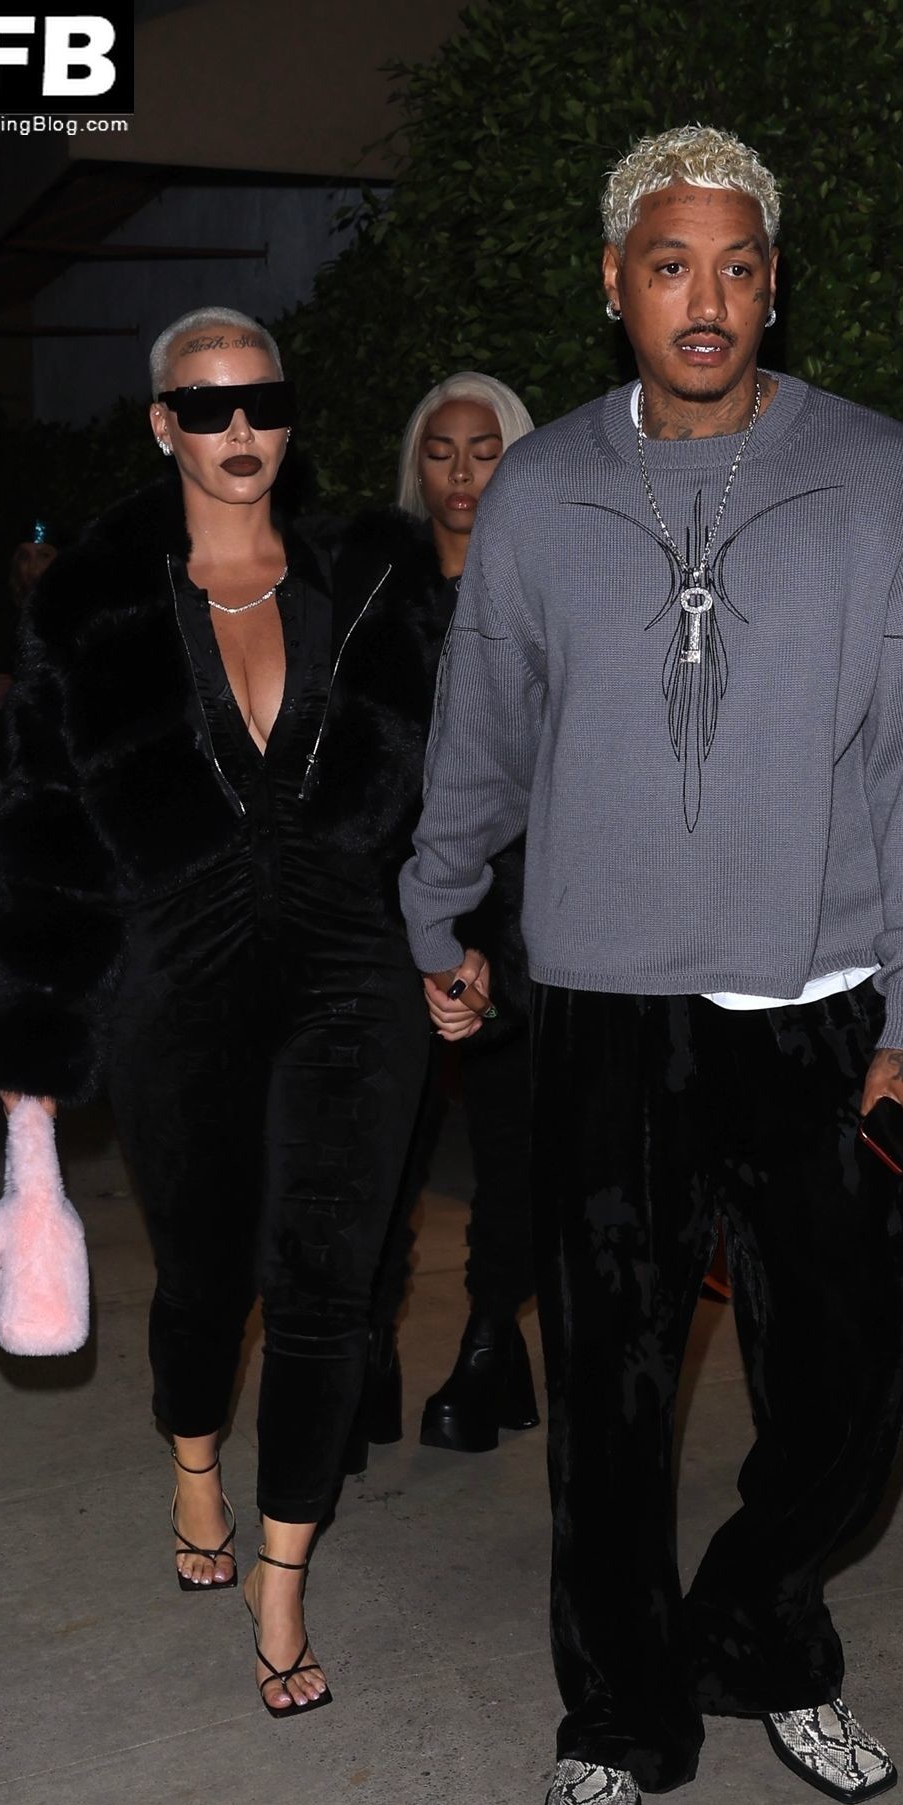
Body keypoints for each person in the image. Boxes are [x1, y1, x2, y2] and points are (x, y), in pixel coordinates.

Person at [400, 125, 903, 1805]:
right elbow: (483, 725)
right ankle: (618, 1706)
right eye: (670, 266)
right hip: (607, 1006)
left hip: (829, 1007)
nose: (704, 300)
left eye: (736, 267)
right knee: (610, 1397)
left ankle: (756, 1626)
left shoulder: (885, 483)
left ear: (773, 282)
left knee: (854, 1394)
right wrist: (435, 908)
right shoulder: (541, 492)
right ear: (616, 284)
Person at [0, 305, 446, 1716]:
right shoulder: (92, 610)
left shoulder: (372, 578)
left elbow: (446, 791)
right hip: (175, 984)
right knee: (205, 1278)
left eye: (264, 403)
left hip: (353, 973)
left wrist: (455, 939)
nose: (241, 430)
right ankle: (193, 1461)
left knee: (328, 1282)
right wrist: (35, 1057)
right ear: (163, 425)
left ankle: (282, 1579)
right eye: (208, 405)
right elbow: (41, 836)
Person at [350, 371, 541, 1466]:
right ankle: (368, 1347)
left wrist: (494, 945)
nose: (463, 472)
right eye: (440, 451)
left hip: (521, 908)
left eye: (485, 449)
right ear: (414, 468)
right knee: (386, 1141)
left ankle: (486, 1341)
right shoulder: (371, 602)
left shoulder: (551, 587)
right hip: (395, 909)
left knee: (514, 1145)